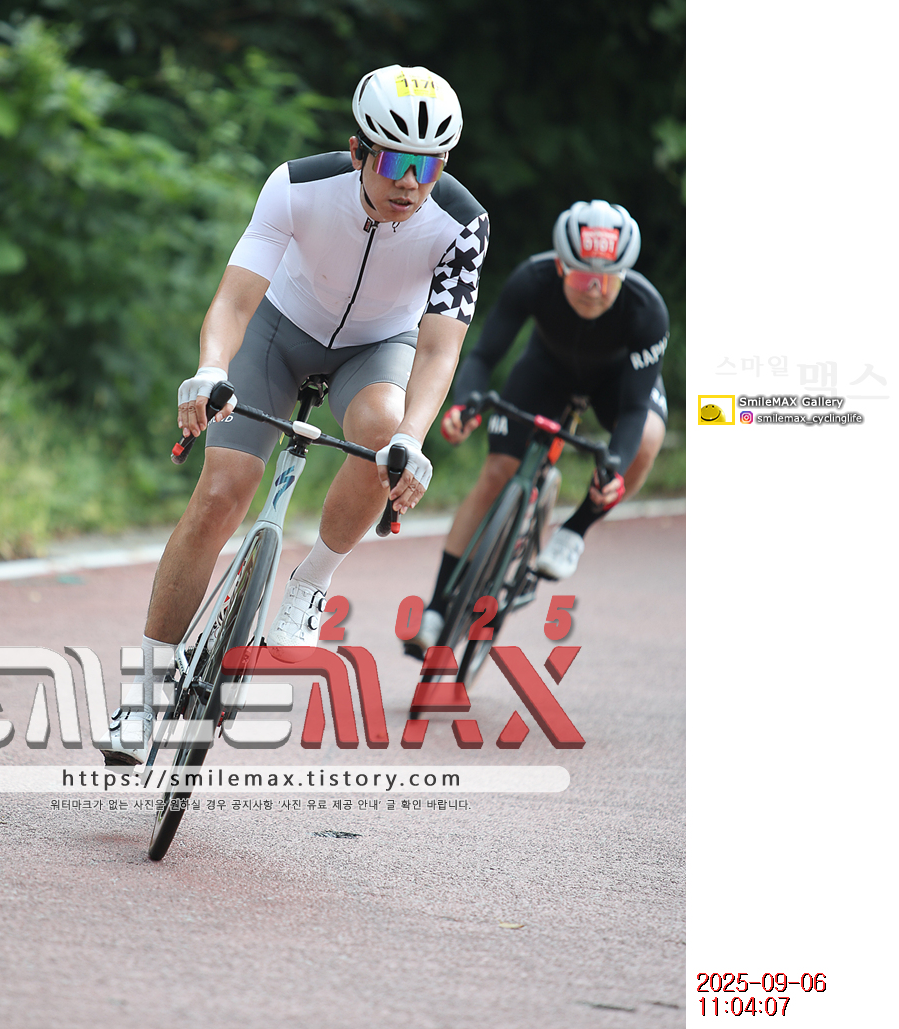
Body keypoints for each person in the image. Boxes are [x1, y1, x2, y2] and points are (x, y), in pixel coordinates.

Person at [102, 65, 490, 764]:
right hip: (279, 334)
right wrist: (211, 370)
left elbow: (440, 350)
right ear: (359, 150)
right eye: (395, 163)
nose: (410, 184)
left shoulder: (462, 223)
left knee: (383, 434)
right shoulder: (297, 185)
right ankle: (145, 692)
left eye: (428, 167)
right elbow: (234, 300)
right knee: (221, 494)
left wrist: (412, 437)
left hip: (377, 348)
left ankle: (311, 583)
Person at [407, 199, 668, 658]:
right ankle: (437, 606)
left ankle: (574, 531)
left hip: (618, 384)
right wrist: (466, 405)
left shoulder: (647, 310)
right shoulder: (533, 278)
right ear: (561, 266)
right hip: (546, 372)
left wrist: (613, 469)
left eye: (606, 279)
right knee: (496, 473)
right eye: (582, 277)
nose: (594, 290)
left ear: (623, 275)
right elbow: (483, 355)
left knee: (645, 436)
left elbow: (631, 411)